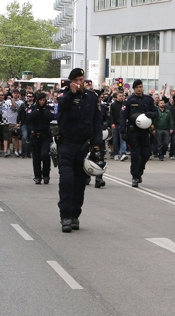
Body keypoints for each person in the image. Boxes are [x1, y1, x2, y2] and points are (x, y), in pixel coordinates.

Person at [56, 68, 103, 233]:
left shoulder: (91, 98)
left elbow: (97, 122)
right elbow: (61, 110)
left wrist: (97, 145)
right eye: (76, 80)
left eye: (81, 79)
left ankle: (75, 215)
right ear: (70, 82)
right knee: (67, 181)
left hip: (83, 146)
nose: (79, 82)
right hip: (67, 145)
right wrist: (71, 94)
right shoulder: (64, 97)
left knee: (80, 183)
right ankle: (65, 217)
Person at [121, 80, 158, 187]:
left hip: (145, 131)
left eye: (140, 87)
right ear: (134, 88)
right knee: (135, 154)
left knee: (146, 153)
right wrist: (123, 131)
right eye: (137, 87)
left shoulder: (148, 99)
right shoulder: (129, 100)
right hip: (133, 130)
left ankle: (140, 170)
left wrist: (152, 115)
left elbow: (156, 112)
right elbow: (123, 116)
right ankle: (135, 177)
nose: (139, 89)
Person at [27, 93, 55, 184]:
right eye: (40, 100)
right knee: (36, 157)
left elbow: (51, 117)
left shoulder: (48, 108)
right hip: (35, 136)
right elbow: (29, 117)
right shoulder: (33, 108)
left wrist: (43, 111)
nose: (42, 102)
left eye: (43, 100)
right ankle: (37, 176)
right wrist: (37, 111)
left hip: (45, 136)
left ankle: (46, 174)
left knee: (45, 155)